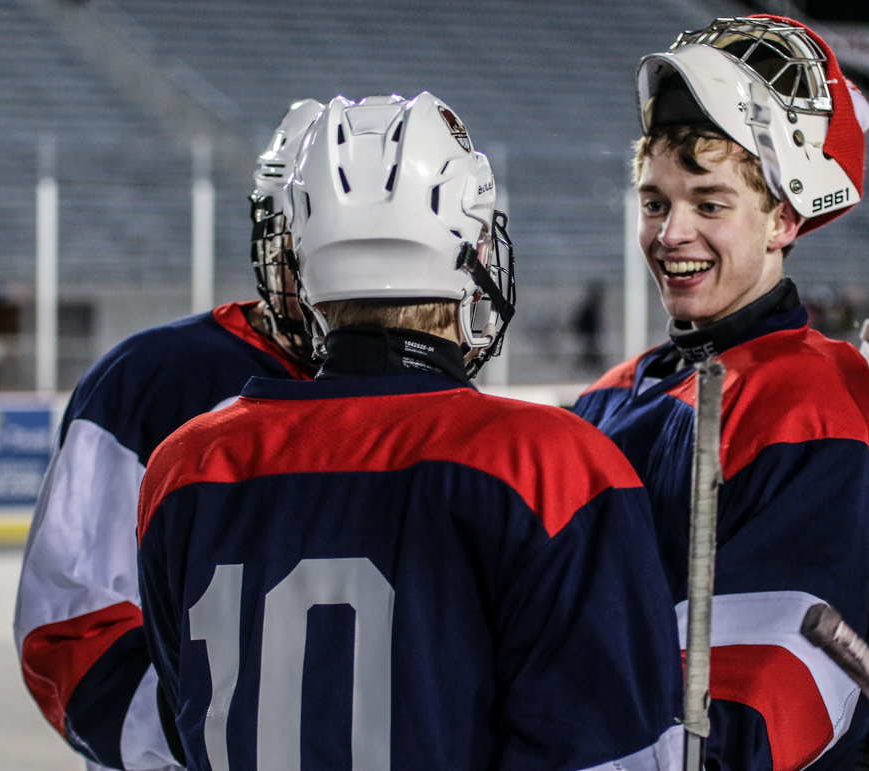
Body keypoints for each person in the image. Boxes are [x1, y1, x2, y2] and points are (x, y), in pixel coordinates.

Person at [136, 92, 685, 771]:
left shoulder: (186, 464)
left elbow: (179, 711)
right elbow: (613, 748)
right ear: (476, 250)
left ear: (298, 263)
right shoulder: (551, 464)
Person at [573, 16, 869, 771]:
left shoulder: (814, 394)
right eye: (655, 203)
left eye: (710, 204)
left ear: (784, 217)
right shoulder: (611, 397)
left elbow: (766, 692)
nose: (670, 233)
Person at [14, 99, 324, 771]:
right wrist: (237, 742)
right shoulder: (149, 381)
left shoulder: (439, 406)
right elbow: (71, 632)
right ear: (280, 242)